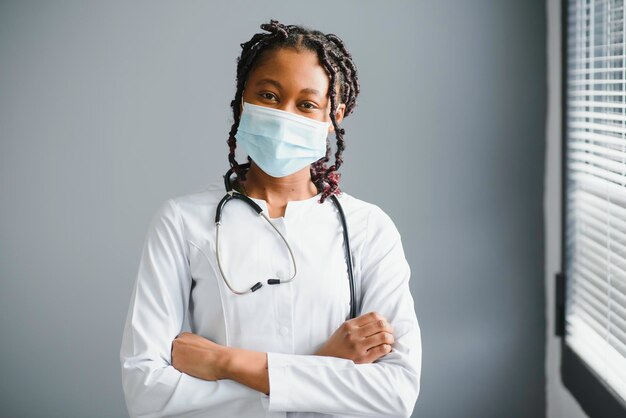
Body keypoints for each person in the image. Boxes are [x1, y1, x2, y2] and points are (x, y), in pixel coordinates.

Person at [119, 19, 422, 418]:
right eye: (268, 95)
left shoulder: (369, 229)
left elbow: (394, 395)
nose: (284, 115)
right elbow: (147, 392)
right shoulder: (181, 222)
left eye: (307, 104)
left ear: (336, 115)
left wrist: (225, 364)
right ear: (242, 100)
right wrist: (325, 366)